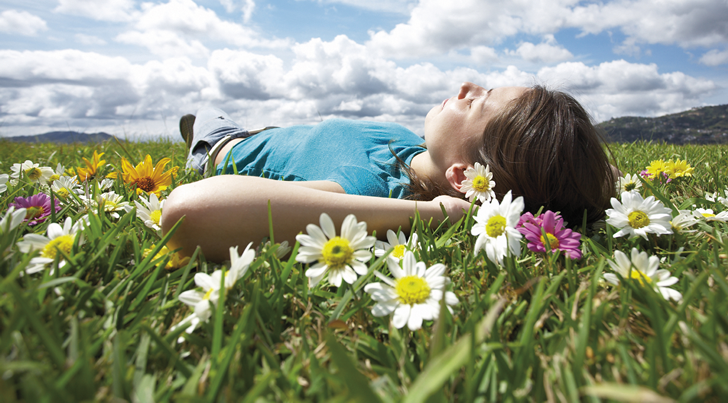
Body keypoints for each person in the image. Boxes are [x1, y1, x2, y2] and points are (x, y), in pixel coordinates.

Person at [161, 82, 616, 262]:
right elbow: (581, 171)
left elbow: (189, 213)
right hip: (274, 131)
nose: (465, 87)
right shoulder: (417, 148)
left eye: (477, 101)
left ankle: (196, 137)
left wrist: (438, 214)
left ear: (463, 177)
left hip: (224, 147)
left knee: (205, 112)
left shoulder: (364, 188)